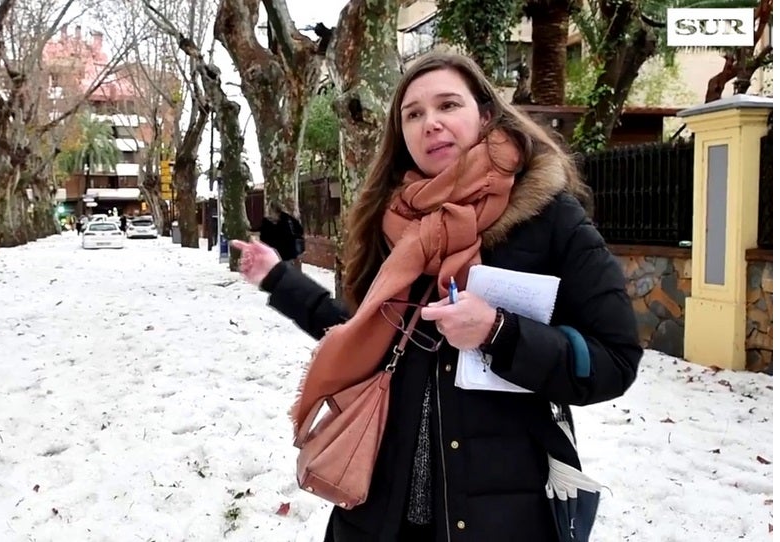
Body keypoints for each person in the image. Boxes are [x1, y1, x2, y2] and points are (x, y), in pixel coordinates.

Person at [231, 52, 641, 541]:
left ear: (485, 115)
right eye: (414, 114)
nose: (432, 124)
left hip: (500, 518)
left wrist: (499, 332)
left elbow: (614, 358)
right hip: (380, 511)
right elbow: (358, 332)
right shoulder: (388, 223)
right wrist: (279, 279)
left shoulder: (552, 219)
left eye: (448, 104)